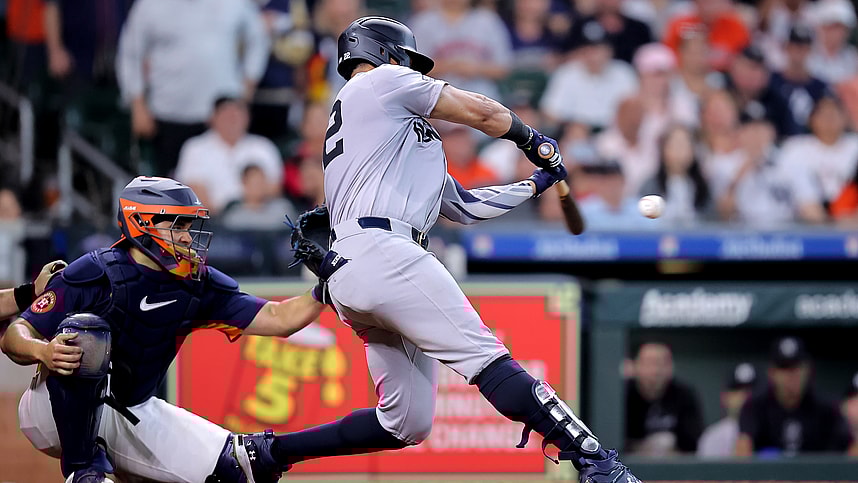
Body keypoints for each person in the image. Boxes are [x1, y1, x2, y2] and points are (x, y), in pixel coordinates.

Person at [226, 16, 639, 483]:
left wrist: (535, 183)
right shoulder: (378, 82)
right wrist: (530, 137)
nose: (415, 71)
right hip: (385, 250)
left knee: (405, 423)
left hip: (354, 265)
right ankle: (595, 460)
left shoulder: (396, 134)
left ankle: (271, 453)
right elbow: (482, 112)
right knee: (487, 359)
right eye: (409, 61)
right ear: (386, 53)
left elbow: (463, 206)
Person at [0, 176, 331, 483]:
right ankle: (83, 468)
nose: (188, 235)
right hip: (51, 410)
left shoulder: (198, 282)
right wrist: (43, 351)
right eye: (177, 225)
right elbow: (16, 334)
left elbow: (278, 318)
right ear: (141, 223)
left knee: (236, 467)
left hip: (131, 408)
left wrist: (325, 286)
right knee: (87, 330)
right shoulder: (95, 271)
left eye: (188, 225)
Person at [116, 0, 269, 177]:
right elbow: (130, 54)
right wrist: (137, 103)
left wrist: (248, 83)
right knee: (170, 188)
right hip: (169, 115)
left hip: (221, 115)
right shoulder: (150, 5)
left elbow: (258, 37)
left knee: (222, 183)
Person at [736, 336, 855, 456]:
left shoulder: (827, 408)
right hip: (768, 474)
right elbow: (743, 449)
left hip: (817, 474)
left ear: (807, 369)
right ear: (772, 373)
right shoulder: (755, 406)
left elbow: (852, 449)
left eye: (796, 367)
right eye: (785, 368)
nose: (791, 375)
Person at [174, 96, 284, 215]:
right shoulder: (195, 148)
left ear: (247, 117)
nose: (233, 119)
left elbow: (274, 188)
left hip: (259, 217)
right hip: (214, 221)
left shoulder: (263, 146)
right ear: (213, 118)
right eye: (226, 114)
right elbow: (193, 191)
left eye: (238, 114)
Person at [625, 342, 704, 456]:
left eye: (663, 363)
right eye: (649, 363)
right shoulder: (624, 395)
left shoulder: (684, 394)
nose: (656, 370)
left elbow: (693, 443)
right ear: (636, 365)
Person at [697, 362, 757, 458]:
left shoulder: (769, 431)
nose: (745, 396)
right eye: (737, 390)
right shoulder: (713, 437)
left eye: (750, 390)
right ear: (724, 397)